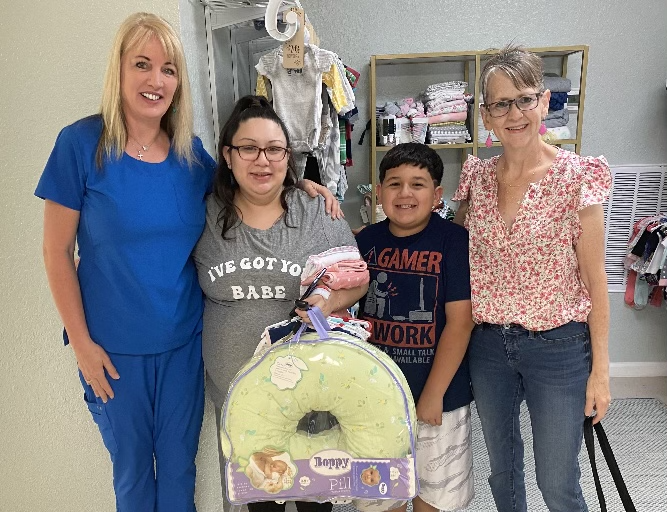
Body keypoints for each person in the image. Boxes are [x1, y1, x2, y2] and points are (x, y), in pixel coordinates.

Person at [35, 13, 338, 511]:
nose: (157, 80)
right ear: (120, 71)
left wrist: (299, 184)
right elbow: (55, 253)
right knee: (133, 474)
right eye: (143, 65)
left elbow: (249, 176)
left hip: (182, 347)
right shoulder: (80, 146)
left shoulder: (190, 156)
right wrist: (83, 345)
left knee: (179, 471)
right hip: (112, 353)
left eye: (170, 68)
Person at [452, 44, 612, 512]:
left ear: (544, 102)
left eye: (525, 99)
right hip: (488, 347)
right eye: (501, 103)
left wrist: (600, 372)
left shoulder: (577, 178)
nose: (514, 113)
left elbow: (595, 281)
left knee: (557, 481)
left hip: (558, 347)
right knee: (502, 474)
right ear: (486, 115)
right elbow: (452, 252)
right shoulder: (475, 179)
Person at [192, 95, 368, 512]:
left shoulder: (316, 211)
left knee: (312, 503)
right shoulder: (202, 215)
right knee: (260, 505)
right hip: (240, 400)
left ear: (288, 157)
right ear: (228, 156)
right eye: (248, 148)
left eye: (274, 149)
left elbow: (357, 279)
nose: (262, 160)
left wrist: (322, 306)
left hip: (311, 398)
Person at [356, 143, 475, 512]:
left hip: (441, 396)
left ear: (437, 194)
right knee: (381, 497)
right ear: (379, 192)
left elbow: (461, 322)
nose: (405, 193)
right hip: (374, 397)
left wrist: (434, 393)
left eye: (418, 184)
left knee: (434, 496)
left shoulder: (455, 242)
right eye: (394, 184)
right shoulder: (362, 242)